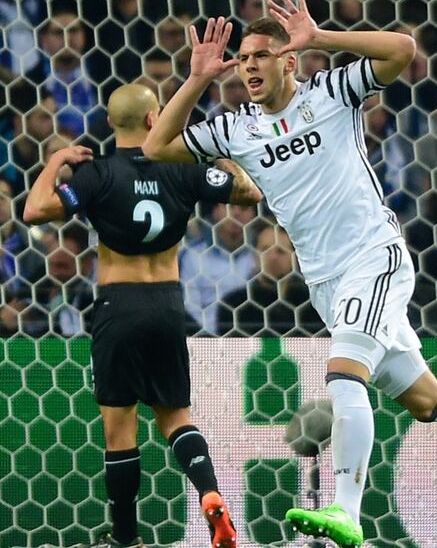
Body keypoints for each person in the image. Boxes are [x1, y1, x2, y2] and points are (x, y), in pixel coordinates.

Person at [140, 0, 437, 548]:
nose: (248, 66)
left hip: (374, 257)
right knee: (430, 402)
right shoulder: (235, 129)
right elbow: (156, 146)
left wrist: (321, 37)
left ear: (289, 61)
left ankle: (347, 512)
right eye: (242, 58)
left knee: (344, 376)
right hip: (325, 281)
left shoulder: (329, 93)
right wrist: (198, 77)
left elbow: (402, 49)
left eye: (260, 55)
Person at [22, 83, 263, 548]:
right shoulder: (181, 169)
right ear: (156, 120)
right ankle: (210, 493)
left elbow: (35, 209)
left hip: (118, 304)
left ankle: (127, 539)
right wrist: (218, 151)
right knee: (176, 418)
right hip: (169, 305)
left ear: (111, 124)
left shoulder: (97, 175)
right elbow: (248, 192)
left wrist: (56, 161)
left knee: (119, 430)